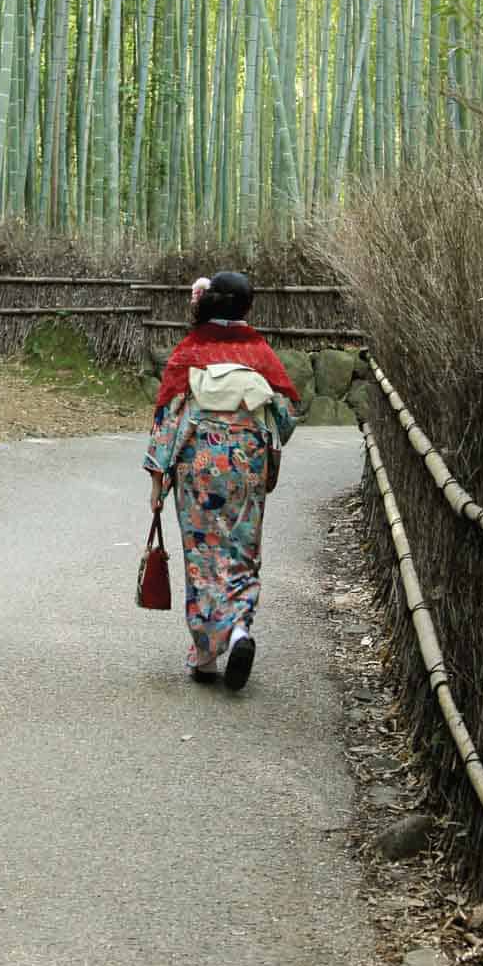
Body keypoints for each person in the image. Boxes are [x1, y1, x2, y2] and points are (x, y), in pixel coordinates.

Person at [143, 270, 299, 690]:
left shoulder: (191, 349)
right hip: (247, 462)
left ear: (207, 303)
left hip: (198, 461)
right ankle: (239, 630)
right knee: (241, 548)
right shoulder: (259, 351)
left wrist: (158, 482)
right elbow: (285, 415)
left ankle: (207, 654)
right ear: (247, 307)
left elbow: (168, 416)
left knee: (203, 553)